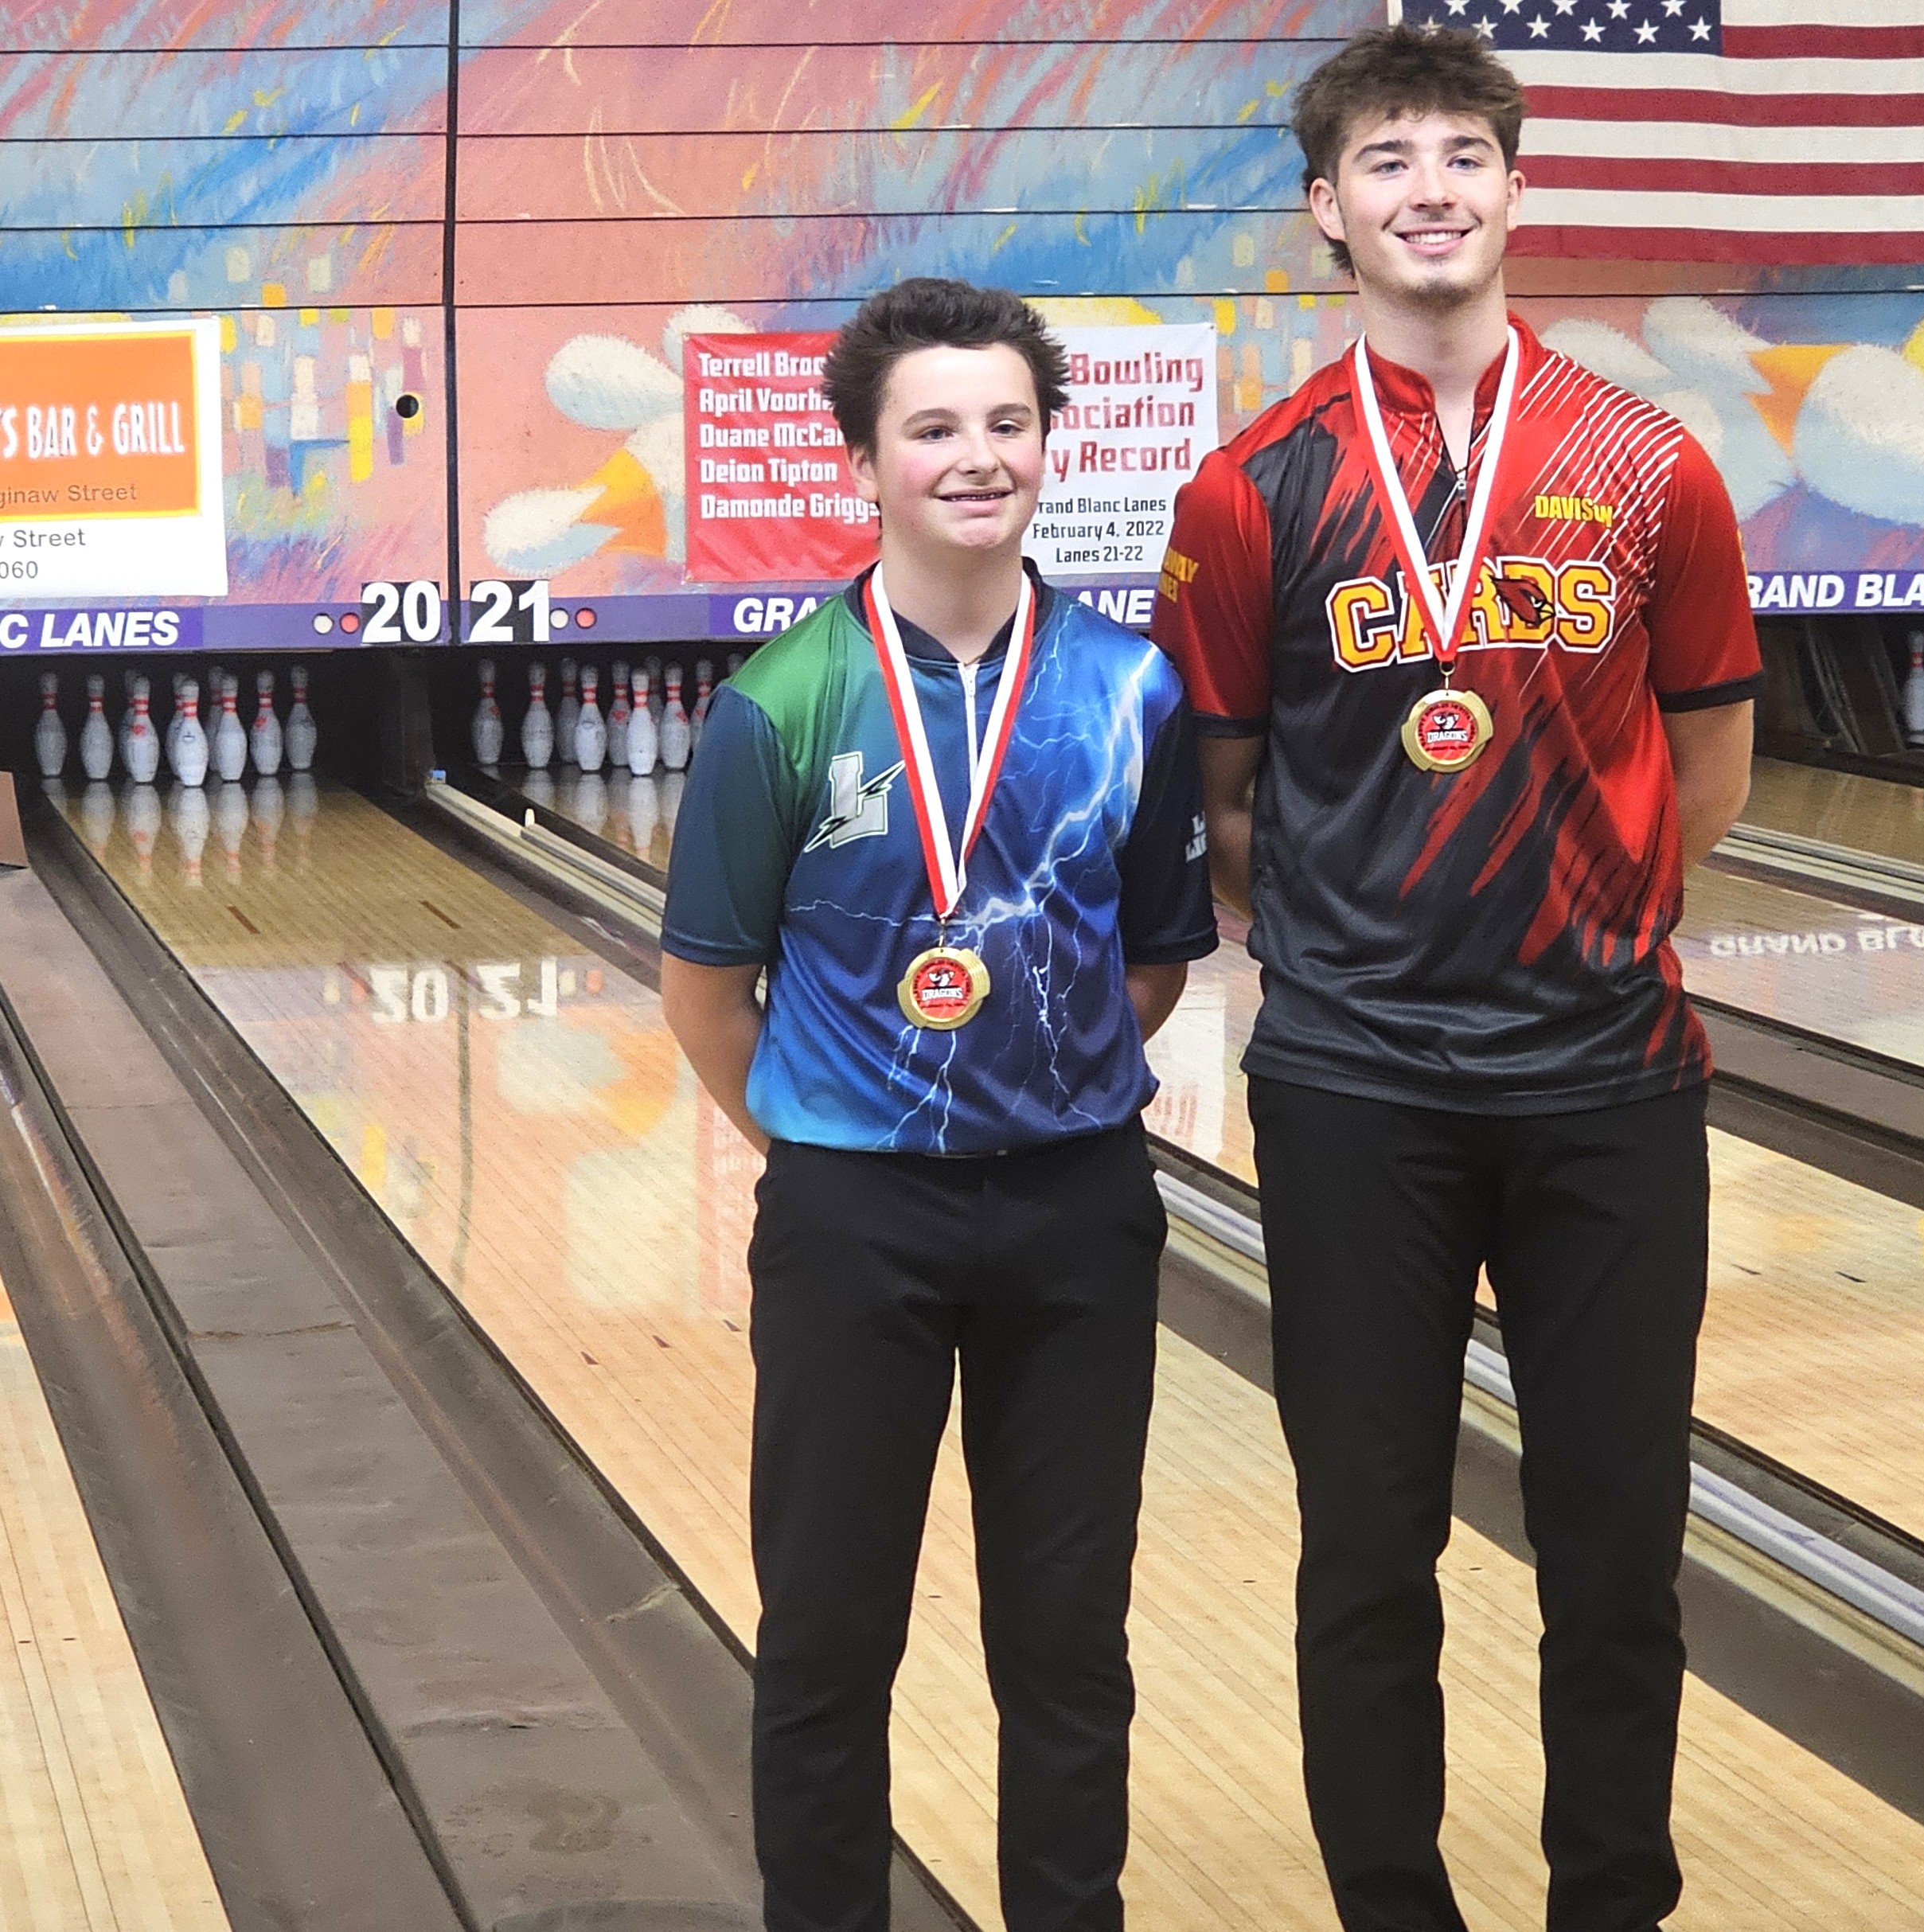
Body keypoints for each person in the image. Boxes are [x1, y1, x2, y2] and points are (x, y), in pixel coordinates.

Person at [1151, 24, 1760, 1932]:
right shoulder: (1253, 486)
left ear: (1514, 184)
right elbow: (1226, 795)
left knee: (1617, 1550)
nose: (1433, 186)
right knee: (1367, 1549)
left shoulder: (1652, 466)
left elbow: (1710, 762)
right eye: (1390, 157)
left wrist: (1569, 916)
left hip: (1611, 1079)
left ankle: (1613, 1905)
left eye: (1465, 153)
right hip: (1357, 1090)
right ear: (1327, 207)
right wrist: (1367, 953)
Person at [661, 276, 1216, 1932]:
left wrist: (1032, 1088)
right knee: (830, 1635)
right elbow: (706, 989)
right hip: (852, 1221)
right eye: (934, 428)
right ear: (864, 462)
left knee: (1068, 1638)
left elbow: (1157, 959)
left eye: (1007, 422)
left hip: (1076, 1209)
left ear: (1047, 444)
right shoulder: (782, 699)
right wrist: (833, 1143)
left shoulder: (1131, 686)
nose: (977, 457)